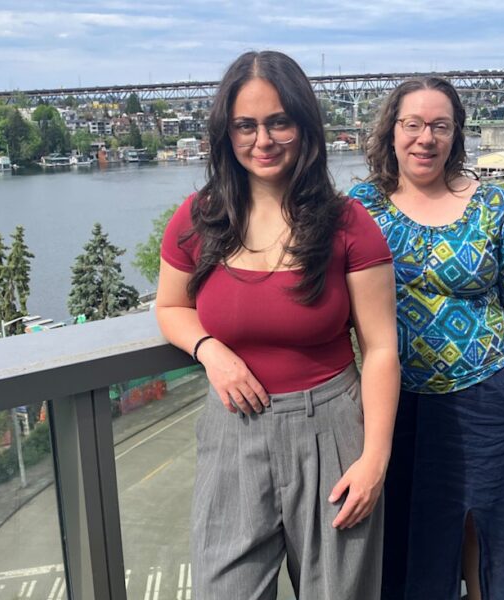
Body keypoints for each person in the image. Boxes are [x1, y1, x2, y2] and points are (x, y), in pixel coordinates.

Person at [155, 50, 400, 600]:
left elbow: (381, 348)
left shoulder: (348, 223)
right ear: (226, 133)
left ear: (304, 126)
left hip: (331, 430)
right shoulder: (199, 218)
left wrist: (374, 460)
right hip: (231, 432)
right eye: (245, 125)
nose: (262, 140)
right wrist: (209, 350)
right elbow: (170, 307)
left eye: (278, 122)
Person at [349, 76, 504, 599]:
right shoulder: (361, 207)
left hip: (484, 393)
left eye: (440, 126)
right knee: (406, 529)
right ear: (391, 131)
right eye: (412, 124)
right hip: (394, 400)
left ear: (456, 135)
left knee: (487, 526)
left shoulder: (494, 206)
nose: (425, 138)